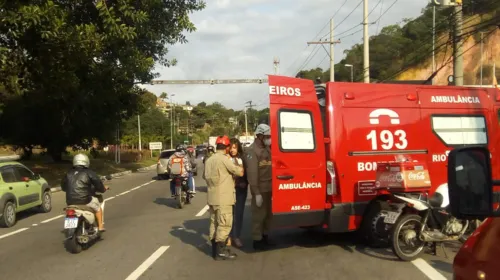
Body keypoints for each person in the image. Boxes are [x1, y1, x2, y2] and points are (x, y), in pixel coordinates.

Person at [203, 135, 244, 260]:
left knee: (214, 223)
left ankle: (215, 250)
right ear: (226, 148)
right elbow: (240, 172)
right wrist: (240, 164)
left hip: (212, 197)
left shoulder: (209, 160)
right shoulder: (224, 159)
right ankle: (221, 250)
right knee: (225, 224)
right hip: (224, 197)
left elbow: (205, 176)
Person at [61, 153, 109, 232]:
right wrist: (104, 189)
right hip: (85, 200)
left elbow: (63, 187)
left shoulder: (68, 173)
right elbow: (99, 185)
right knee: (98, 208)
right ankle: (100, 226)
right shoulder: (89, 172)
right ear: (86, 161)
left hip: (70, 202)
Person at [246, 123, 274, 250]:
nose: (270, 138)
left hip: (270, 188)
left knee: (268, 215)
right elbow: (252, 174)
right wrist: (256, 193)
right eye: (268, 136)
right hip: (260, 189)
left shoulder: (268, 148)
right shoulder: (252, 151)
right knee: (259, 216)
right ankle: (257, 240)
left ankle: (265, 236)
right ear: (260, 136)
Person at [228, 138, 248, 248]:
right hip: (229, 191)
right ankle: (229, 236)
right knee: (229, 214)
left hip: (241, 190)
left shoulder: (242, 158)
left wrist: (244, 182)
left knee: (239, 214)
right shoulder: (226, 159)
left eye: (234, 148)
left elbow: (247, 172)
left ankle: (237, 237)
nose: (232, 150)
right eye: (230, 148)